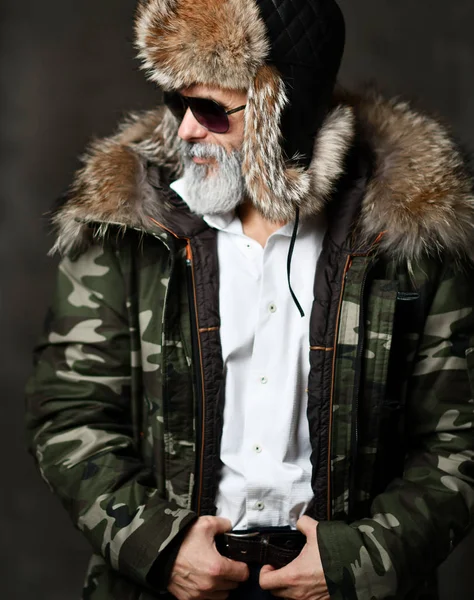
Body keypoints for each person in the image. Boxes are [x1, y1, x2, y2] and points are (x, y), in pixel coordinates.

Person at [25, 0, 474, 599]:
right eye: (179, 101)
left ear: (282, 112)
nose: (186, 129)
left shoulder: (407, 231)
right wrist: (159, 547)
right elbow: (71, 411)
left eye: (211, 110)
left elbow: (458, 436)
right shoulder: (130, 222)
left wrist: (357, 562)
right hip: (170, 585)